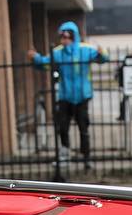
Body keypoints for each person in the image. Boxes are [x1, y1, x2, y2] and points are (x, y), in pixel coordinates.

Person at [28, 21, 107, 166]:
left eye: (66, 37)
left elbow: (102, 59)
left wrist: (103, 53)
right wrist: (35, 58)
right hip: (65, 96)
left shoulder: (85, 49)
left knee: (83, 128)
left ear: (73, 37)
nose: (63, 40)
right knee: (62, 127)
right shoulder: (58, 52)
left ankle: (86, 157)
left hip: (82, 96)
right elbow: (45, 63)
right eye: (62, 37)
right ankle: (64, 154)